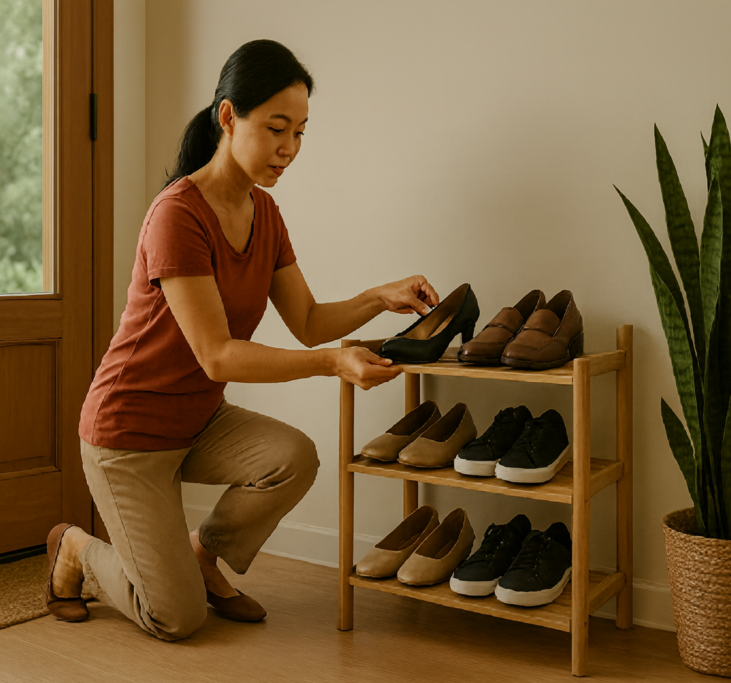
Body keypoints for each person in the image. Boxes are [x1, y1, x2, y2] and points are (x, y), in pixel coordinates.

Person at [44, 39, 439, 642]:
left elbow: (306, 319)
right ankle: (73, 549)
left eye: (301, 132)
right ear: (228, 117)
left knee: (293, 457)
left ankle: (203, 556)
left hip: (197, 419)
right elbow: (218, 353)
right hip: (129, 433)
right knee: (174, 619)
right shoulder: (177, 214)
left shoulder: (265, 214)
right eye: (277, 128)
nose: (290, 148)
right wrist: (333, 363)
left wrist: (376, 297)